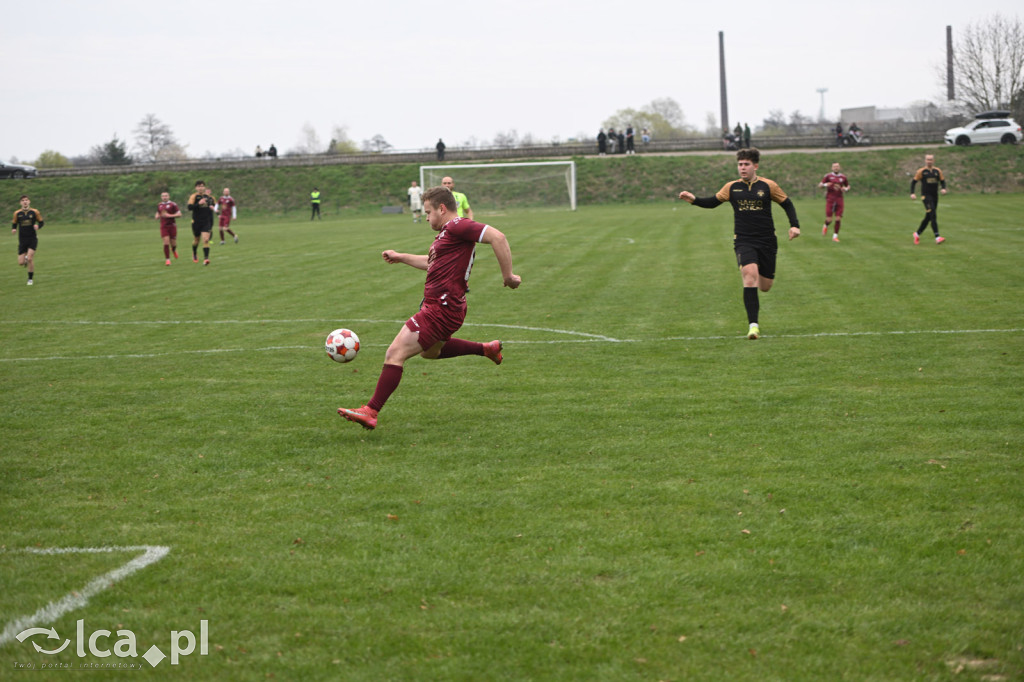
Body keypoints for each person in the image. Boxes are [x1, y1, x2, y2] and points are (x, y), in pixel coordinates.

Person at [337, 185, 521, 430]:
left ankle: (371, 411)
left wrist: (508, 276)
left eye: (428, 212)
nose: (426, 218)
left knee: (395, 353)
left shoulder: (457, 226)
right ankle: (486, 349)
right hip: (447, 306)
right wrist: (401, 256)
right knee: (430, 352)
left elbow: (498, 237)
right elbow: (431, 263)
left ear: (442, 209)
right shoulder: (448, 233)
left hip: (440, 308)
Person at [677, 147, 801, 340]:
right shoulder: (731, 187)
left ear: (755, 166)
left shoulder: (768, 186)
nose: (742, 168)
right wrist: (694, 200)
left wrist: (794, 226)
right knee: (749, 276)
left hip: (767, 240)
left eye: (746, 164)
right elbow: (712, 202)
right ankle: (753, 326)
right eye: (740, 164)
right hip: (744, 240)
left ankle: (760, 274)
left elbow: (787, 203)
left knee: (765, 286)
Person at [910, 154, 947, 244]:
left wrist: (943, 188)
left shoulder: (937, 171)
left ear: (933, 161)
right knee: (933, 214)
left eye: (931, 159)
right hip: (926, 196)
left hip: (935, 196)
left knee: (929, 216)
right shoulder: (921, 171)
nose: (929, 161)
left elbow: (942, 181)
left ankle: (917, 234)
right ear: (925, 161)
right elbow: (913, 182)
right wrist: (912, 193)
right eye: (927, 159)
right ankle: (937, 237)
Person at [11, 195, 43, 285]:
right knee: (21, 263)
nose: (25, 202)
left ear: (29, 202)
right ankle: (24, 259)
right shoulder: (17, 213)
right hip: (22, 240)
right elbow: (14, 223)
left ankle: (30, 279)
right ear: (20, 203)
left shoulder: (35, 212)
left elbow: (41, 222)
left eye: (26, 200)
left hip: (32, 238)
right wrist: (14, 229)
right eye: (23, 200)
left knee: (30, 258)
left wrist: (38, 226)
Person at [818, 162, 850, 242]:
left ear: (840, 168)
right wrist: (825, 185)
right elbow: (820, 185)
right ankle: (826, 225)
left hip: (839, 199)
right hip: (830, 199)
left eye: (837, 166)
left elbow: (847, 186)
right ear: (832, 168)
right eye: (834, 167)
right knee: (829, 220)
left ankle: (835, 236)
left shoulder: (843, 177)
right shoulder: (828, 176)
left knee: (838, 219)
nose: (836, 168)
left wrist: (845, 189)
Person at [187, 180, 215, 265]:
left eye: (202, 186)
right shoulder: (194, 196)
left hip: (206, 222)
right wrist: (198, 204)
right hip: (196, 222)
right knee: (196, 240)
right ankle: (194, 252)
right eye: (199, 186)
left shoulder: (209, 198)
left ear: (205, 187)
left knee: (206, 240)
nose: (201, 188)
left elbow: (212, 207)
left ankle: (206, 259)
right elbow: (189, 207)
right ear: (196, 188)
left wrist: (212, 208)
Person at [155, 191, 181, 266]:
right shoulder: (159, 205)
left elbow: (179, 214)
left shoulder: (173, 204)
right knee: (166, 242)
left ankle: (173, 250)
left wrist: (169, 215)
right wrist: (157, 216)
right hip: (163, 226)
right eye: (163, 196)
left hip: (172, 226)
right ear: (161, 197)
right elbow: (158, 212)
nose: (164, 197)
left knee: (173, 243)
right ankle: (168, 260)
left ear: (168, 196)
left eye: (166, 196)